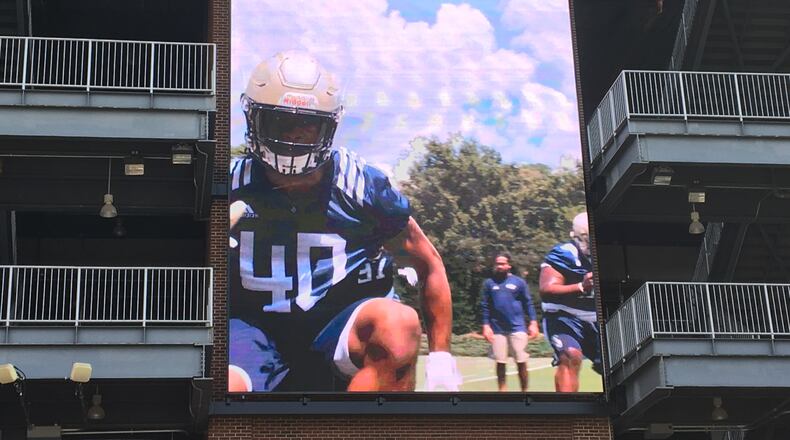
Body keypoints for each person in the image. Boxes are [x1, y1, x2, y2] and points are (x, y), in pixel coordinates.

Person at [227, 51, 460, 392]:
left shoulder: (362, 187)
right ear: (255, 120)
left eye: (306, 125)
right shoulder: (230, 187)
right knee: (225, 384)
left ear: (328, 127)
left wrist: (441, 357)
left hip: (334, 327)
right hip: (252, 328)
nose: (293, 136)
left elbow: (428, 264)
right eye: (280, 122)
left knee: (397, 325)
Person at [538, 212, 602, 393]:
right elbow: (547, 289)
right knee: (570, 355)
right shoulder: (565, 253)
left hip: (598, 320)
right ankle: (566, 411)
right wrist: (581, 286)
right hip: (565, 316)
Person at [480, 252, 539, 392]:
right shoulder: (489, 283)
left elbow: (528, 303)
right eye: (497, 264)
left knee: (521, 361)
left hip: (517, 328)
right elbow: (485, 306)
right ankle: (503, 391)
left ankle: (524, 392)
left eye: (502, 263)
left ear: (509, 265)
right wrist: (486, 325)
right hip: (497, 329)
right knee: (500, 362)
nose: (499, 266)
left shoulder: (519, 282)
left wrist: (533, 322)